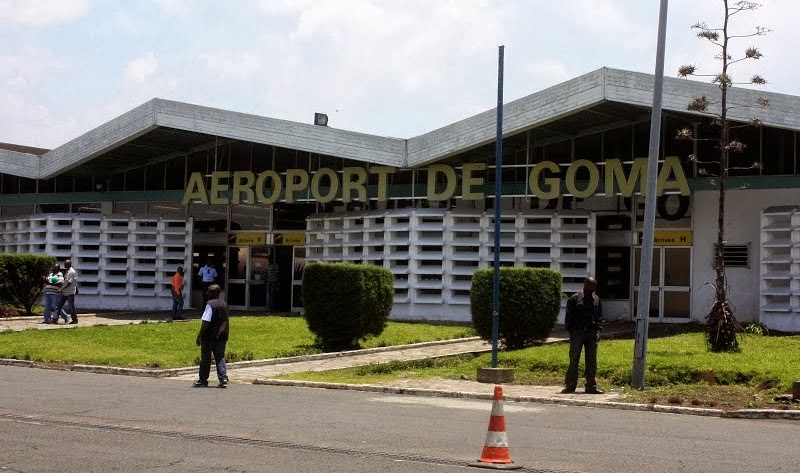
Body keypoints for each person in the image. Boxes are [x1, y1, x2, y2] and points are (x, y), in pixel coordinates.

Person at [562, 276, 604, 394]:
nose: (594, 289)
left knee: (591, 361)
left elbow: (599, 317)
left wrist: (598, 331)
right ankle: (570, 386)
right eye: (592, 286)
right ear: (585, 285)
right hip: (577, 332)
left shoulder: (596, 299)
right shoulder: (574, 299)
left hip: (591, 333)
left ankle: (591, 386)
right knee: (574, 360)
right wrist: (573, 331)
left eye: (595, 286)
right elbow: (569, 317)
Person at [194, 284, 229, 388]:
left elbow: (206, 321)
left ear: (213, 293)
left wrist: (199, 336)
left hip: (209, 336)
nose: (207, 293)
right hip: (222, 335)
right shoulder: (224, 304)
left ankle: (203, 380)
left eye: (209, 291)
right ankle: (223, 379)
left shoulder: (210, 304)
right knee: (220, 357)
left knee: (205, 358)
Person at [54, 259, 79, 325]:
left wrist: (61, 289)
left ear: (69, 264)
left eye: (66, 264)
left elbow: (69, 282)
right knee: (59, 306)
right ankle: (55, 319)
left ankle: (75, 319)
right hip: (64, 292)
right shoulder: (67, 271)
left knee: (71, 307)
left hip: (70, 293)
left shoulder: (72, 272)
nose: (64, 265)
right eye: (64, 263)